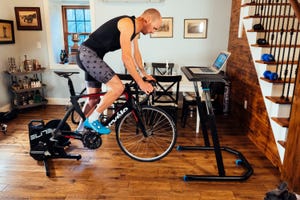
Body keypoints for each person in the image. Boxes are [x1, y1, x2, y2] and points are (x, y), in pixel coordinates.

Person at [76, 8, 162, 134]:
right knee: (118, 88)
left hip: (91, 56)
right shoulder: (128, 24)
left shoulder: (135, 31)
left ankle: (78, 131)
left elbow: (136, 54)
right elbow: (126, 57)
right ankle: (92, 119)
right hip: (88, 55)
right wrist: (140, 83)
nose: (152, 32)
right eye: (154, 28)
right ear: (148, 20)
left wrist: (144, 74)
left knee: (93, 100)